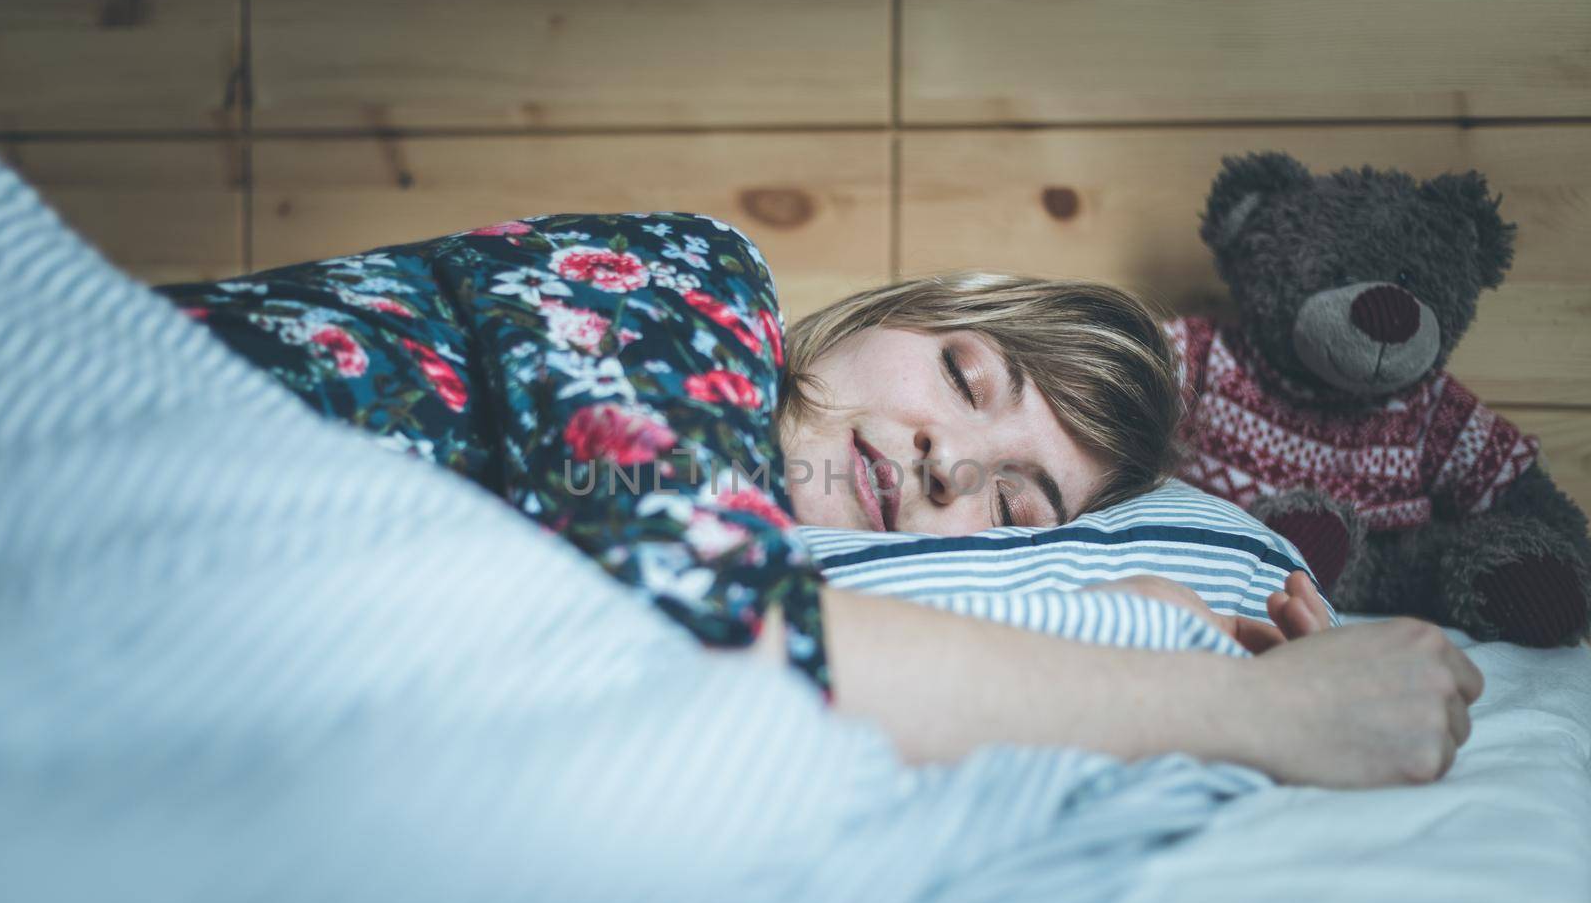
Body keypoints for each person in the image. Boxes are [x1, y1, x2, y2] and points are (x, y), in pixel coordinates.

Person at [157, 213, 1481, 788]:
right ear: (889, 315)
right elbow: (707, 630)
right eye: (965, 376)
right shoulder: (684, 279)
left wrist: (1171, 614)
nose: (947, 464)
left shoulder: (771, 531)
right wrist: (1250, 710)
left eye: (1015, 511)